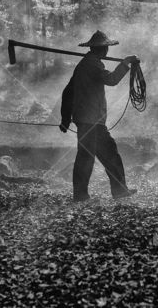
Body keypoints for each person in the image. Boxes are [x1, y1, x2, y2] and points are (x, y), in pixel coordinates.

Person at [60, 30, 139, 201]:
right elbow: (111, 80)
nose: (107, 51)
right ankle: (117, 191)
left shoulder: (85, 64)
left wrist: (65, 119)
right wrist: (125, 63)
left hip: (86, 120)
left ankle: (82, 195)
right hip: (92, 121)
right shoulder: (93, 65)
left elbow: (68, 91)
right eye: (105, 48)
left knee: (88, 157)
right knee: (107, 155)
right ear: (103, 50)